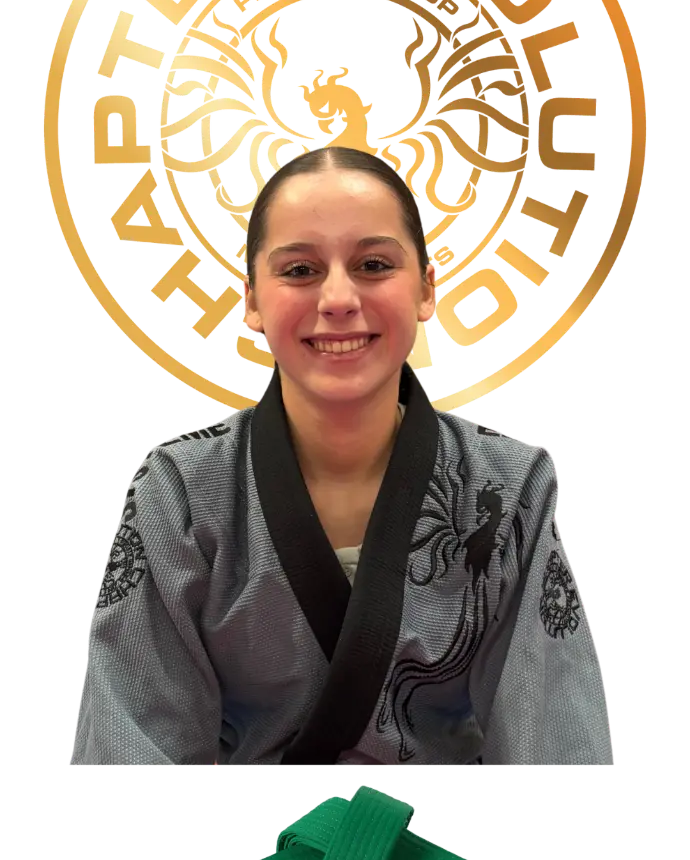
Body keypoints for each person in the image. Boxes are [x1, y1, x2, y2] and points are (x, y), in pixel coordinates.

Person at [69, 146, 614, 769]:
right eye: (299, 270)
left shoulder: (510, 488)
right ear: (252, 301)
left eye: (373, 264)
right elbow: (131, 747)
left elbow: (556, 745)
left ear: (426, 289)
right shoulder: (182, 489)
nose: (337, 298)